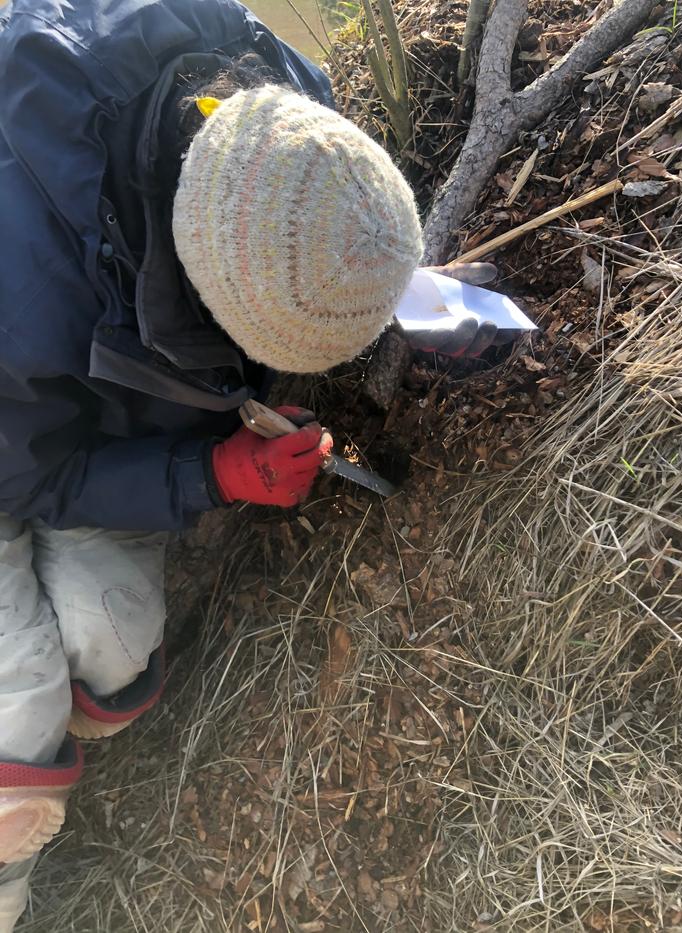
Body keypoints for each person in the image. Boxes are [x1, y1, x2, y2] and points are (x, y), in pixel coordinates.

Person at [0, 1, 510, 927]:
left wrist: (403, 292)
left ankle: (65, 710)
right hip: (10, 439)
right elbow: (22, 476)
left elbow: (305, 221)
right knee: (17, 711)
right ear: (195, 291)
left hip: (56, 405)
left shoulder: (275, 93)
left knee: (109, 644)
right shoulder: (24, 285)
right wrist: (209, 474)